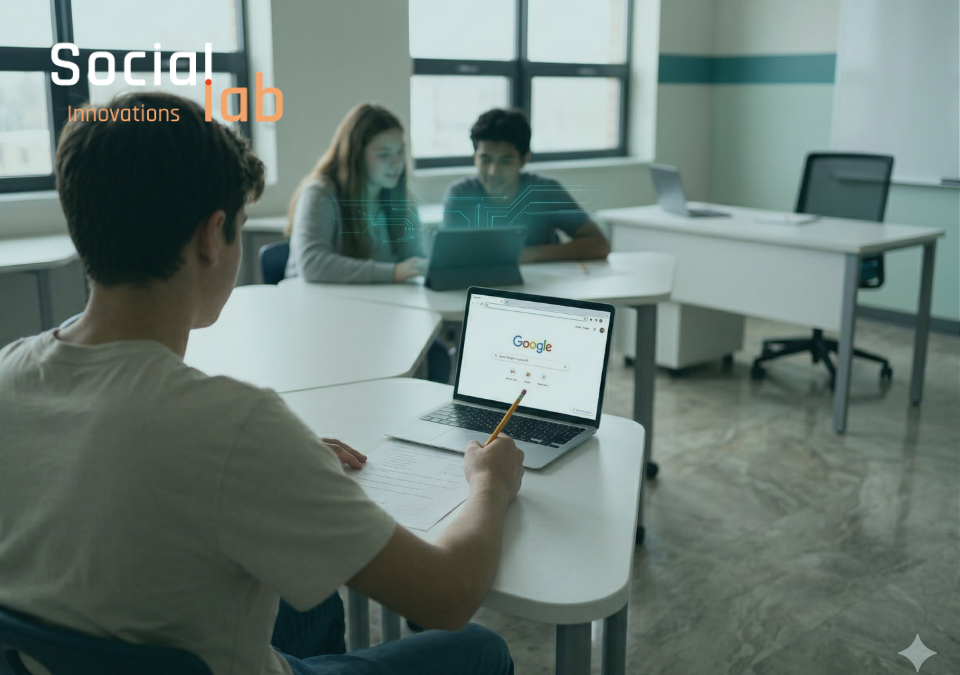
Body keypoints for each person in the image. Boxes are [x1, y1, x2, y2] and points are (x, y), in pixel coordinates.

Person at [0, 92, 522, 675]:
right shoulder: (235, 427)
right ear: (212, 235)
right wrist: (490, 485)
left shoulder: (7, 375)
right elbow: (448, 596)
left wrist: (284, 466)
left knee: (312, 588)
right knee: (481, 649)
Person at [285, 103, 450, 382]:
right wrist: (393, 273)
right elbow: (313, 264)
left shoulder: (398, 197)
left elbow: (416, 260)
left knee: (434, 358)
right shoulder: (321, 193)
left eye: (400, 152)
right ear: (355, 157)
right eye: (384, 154)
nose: (396, 163)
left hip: (378, 317)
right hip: (324, 321)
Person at [442, 108, 610, 263]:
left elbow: (599, 244)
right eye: (486, 160)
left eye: (505, 161)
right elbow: (449, 257)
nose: (493, 171)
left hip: (542, 289)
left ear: (524, 160)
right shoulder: (460, 194)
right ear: (475, 158)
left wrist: (526, 254)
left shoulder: (544, 190)